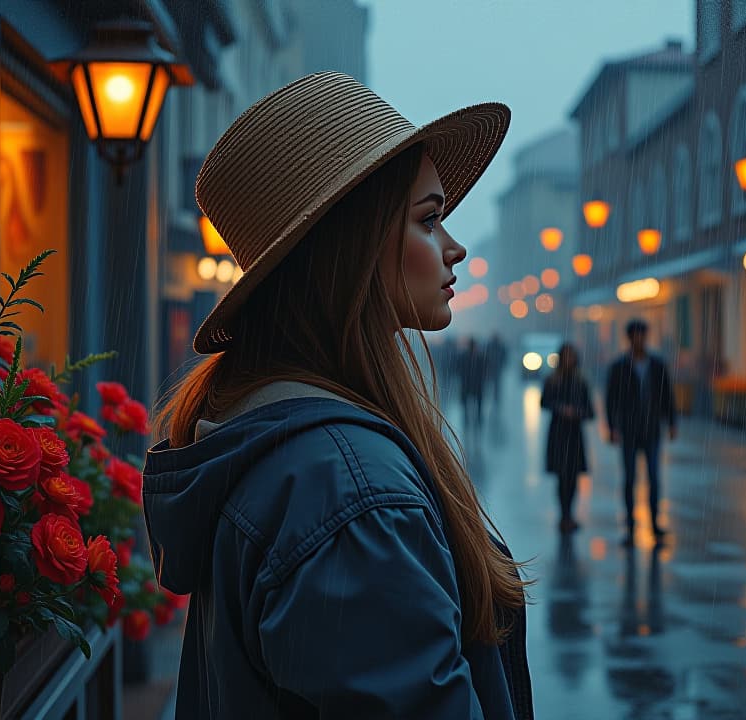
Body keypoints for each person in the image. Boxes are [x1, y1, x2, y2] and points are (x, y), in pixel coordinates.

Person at [141, 73, 533, 718]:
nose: (455, 247)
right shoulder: (351, 497)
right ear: (351, 247)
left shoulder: (290, 449)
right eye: (429, 220)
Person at [606, 318, 677, 547]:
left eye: (642, 335)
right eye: (635, 335)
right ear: (630, 338)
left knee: (654, 478)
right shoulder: (619, 367)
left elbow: (667, 395)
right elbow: (611, 399)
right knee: (630, 479)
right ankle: (630, 526)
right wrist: (612, 426)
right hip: (629, 429)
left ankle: (655, 524)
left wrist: (672, 422)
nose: (639, 339)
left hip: (652, 429)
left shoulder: (657, 365)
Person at [540, 343, 594, 533]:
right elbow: (544, 402)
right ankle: (564, 515)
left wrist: (577, 412)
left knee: (572, 477)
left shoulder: (581, 382)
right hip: (559, 434)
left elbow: (590, 410)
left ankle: (569, 514)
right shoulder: (553, 381)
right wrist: (561, 409)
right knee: (562, 477)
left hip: (574, 435)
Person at [457, 336, 487, 429]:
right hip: (475, 383)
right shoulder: (479, 357)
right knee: (477, 402)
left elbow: (458, 369)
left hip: (468, 383)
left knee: (469, 402)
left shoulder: (464, 356)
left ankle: (469, 418)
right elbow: (484, 370)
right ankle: (476, 419)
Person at [484, 332, 507, 409]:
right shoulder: (498, 346)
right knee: (495, 383)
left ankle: (493, 397)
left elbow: (486, 355)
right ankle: (495, 397)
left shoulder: (491, 346)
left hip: (494, 367)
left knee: (493, 383)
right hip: (495, 367)